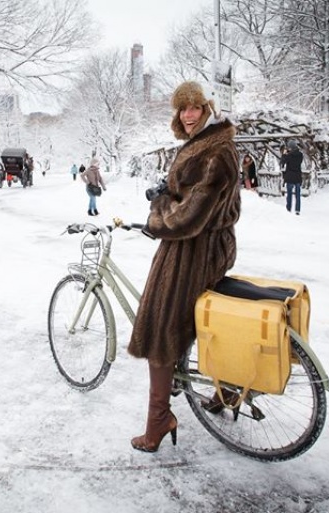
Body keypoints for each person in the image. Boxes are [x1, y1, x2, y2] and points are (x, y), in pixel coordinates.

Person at [128, 80, 241, 453]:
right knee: (196, 321)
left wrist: (158, 211)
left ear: (208, 108)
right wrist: (170, 192)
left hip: (194, 250)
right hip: (202, 247)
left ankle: (159, 421)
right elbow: (195, 198)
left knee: (161, 326)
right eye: (182, 109)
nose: (188, 115)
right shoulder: (207, 145)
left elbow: (187, 218)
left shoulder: (216, 153)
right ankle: (226, 390)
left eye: (194, 107)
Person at [280, 140, 303, 215]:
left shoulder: (289, 156)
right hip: (298, 177)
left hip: (290, 177)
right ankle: (297, 210)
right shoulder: (300, 155)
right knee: (298, 195)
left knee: (289, 194)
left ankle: (288, 208)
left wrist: (284, 154)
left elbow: (282, 162)